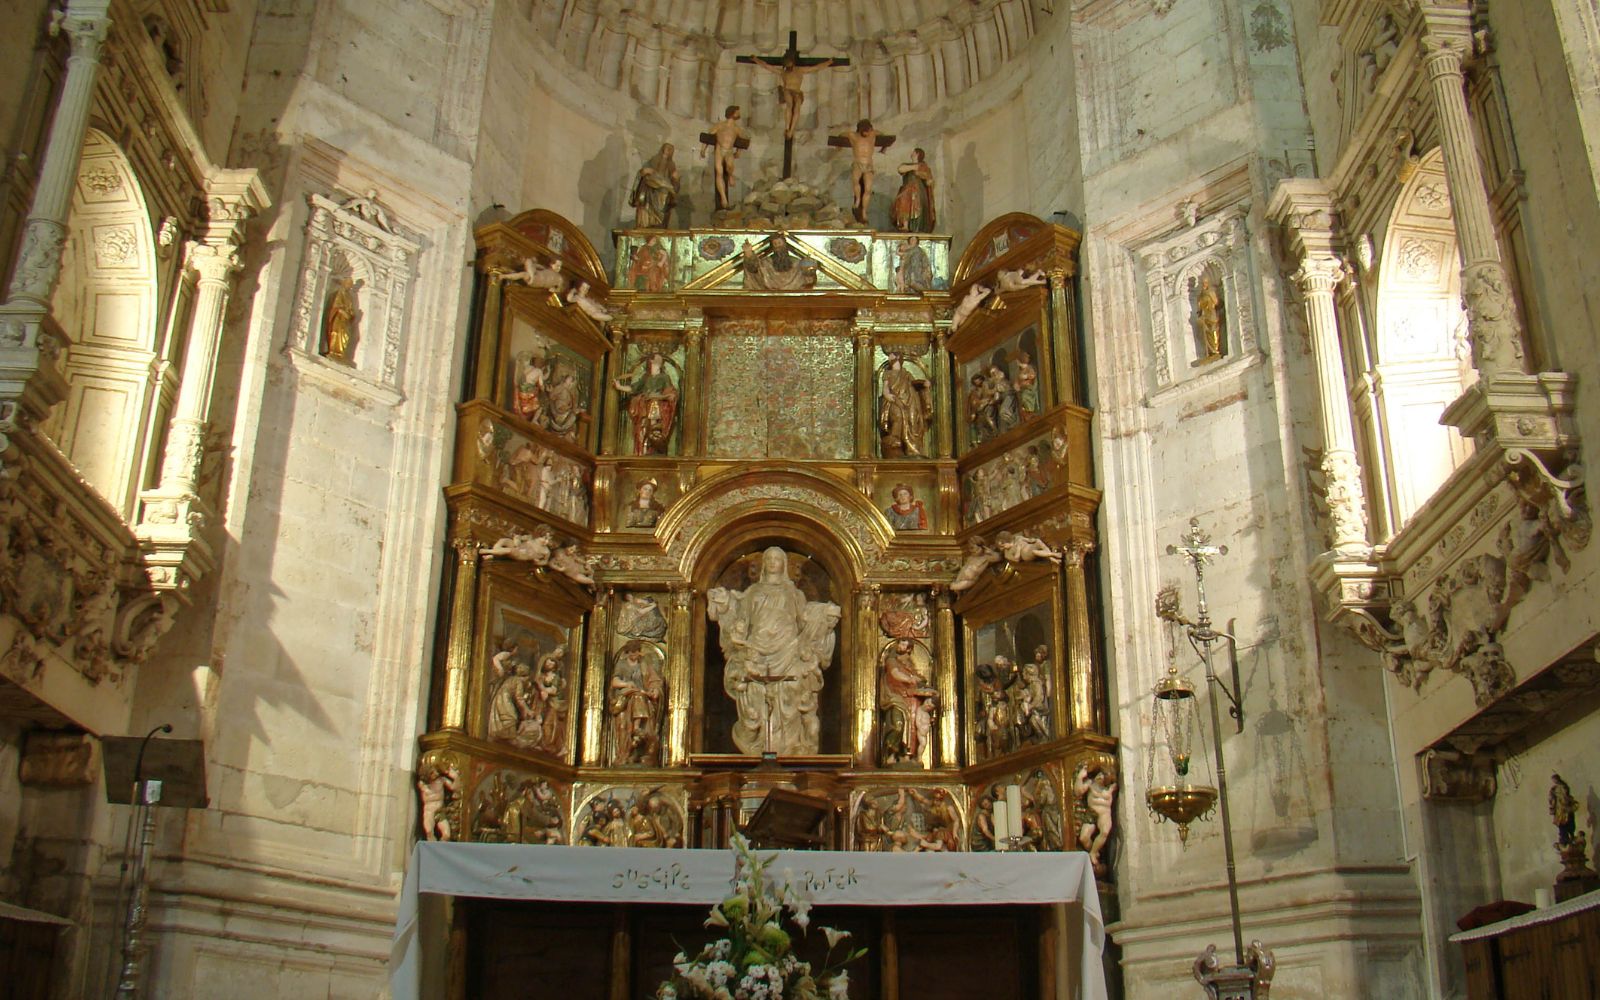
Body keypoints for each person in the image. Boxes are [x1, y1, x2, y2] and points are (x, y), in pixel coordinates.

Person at [707, 547, 842, 755]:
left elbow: (804, 619)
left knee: (790, 695)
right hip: (757, 651)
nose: (772, 562)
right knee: (755, 695)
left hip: (788, 650)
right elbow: (742, 618)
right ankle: (759, 745)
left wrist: (824, 613)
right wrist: (724, 603)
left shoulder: (794, 593)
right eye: (768, 558)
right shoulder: (753, 592)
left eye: (777, 559)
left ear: (784, 564)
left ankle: (789, 748)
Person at [749, 51, 835, 138]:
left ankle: (791, 130)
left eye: (789, 66)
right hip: (787, 91)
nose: (788, 68)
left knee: (797, 107)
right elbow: (767, 66)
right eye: (786, 66)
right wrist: (755, 59)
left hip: (797, 92)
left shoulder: (800, 70)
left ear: (793, 63)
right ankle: (787, 128)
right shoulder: (783, 72)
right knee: (789, 105)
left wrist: (829, 62)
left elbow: (816, 68)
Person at [607, 642, 666, 764]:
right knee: (636, 698)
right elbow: (614, 681)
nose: (634, 655)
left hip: (643, 697)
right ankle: (631, 739)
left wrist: (655, 690)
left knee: (639, 697)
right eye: (632, 652)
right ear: (627, 653)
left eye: (636, 652)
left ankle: (639, 735)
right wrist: (627, 684)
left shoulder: (645, 665)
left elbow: (655, 681)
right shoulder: (622, 665)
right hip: (624, 699)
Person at [879, 639, 938, 760]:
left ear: (909, 649)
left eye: (904, 645)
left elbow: (917, 678)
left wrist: (920, 682)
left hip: (909, 699)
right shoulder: (891, 660)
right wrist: (910, 679)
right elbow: (895, 674)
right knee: (897, 725)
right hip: (894, 697)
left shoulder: (908, 664)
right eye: (900, 643)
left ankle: (904, 754)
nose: (900, 646)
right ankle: (890, 754)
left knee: (911, 728)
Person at [612, 350, 679, 454]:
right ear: (651, 361)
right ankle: (643, 448)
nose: (660, 359)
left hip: (657, 407)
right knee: (643, 428)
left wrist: (658, 396)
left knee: (654, 424)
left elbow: (671, 394)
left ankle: (654, 445)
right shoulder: (646, 377)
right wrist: (619, 386)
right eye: (657, 357)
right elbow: (634, 388)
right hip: (644, 407)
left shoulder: (664, 377)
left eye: (660, 358)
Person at [834, 119, 893, 225]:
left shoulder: (873, 134)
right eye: (865, 131)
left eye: (869, 130)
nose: (867, 133)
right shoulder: (853, 136)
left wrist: (884, 148)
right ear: (860, 130)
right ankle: (857, 200)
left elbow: (885, 138)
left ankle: (864, 212)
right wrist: (838, 146)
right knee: (856, 181)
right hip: (858, 163)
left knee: (868, 189)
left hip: (869, 165)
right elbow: (840, 135)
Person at [878, 352, 933, 457]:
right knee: (897, 418)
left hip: (909, 401)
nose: (890, 358)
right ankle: (895, 443)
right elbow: (885, 387)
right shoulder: (887, 373)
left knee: (912, 422)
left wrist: (924, 384)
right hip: (895, 400)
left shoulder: (906, 374)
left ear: (898, 358)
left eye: (892, 356)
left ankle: (912, 450)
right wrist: (887, 394)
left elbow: (914, 383)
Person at [703, 106, 749, 210]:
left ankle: (730, 175)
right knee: (719, 172)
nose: (739, 114)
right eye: (737, 112)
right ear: (732, 113)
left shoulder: (737, 129)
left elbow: (742, 142)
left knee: (730, 166)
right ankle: (724, 198)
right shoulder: (720, 125)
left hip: (729, 151)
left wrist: (739, 151)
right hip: (719, 150)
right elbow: (708, 136)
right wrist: (703, 149)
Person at [1075, 762, 1118, 872]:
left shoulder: (1111, 788)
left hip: (1104, 814)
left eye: (1102, 776)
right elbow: (1078, 791)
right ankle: (1095, 850)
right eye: (1098, 774)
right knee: (1083, 838)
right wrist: (1080, 777)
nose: (1099, 777)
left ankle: (1093, 853)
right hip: (1092, 813)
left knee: (1104, 832)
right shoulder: (1091, 783)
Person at [629, 143, 679, 228]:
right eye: (667, 148)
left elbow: (675, 185)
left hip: (663, 192)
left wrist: (675, 180)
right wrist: (645, 171)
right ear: (662, 149)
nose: (668, 151)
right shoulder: (652, 161)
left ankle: (659, 225)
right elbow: (642, 172)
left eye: (671, 149)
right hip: (648, 190)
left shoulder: (671, 165)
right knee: (645, 205)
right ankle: (645, 224)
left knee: (665, 197)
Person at [890, 148, 935, 233]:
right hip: (906, 190)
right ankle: (905, 225)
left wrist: (926, 177)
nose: (911, 153)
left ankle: (917, 227)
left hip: (918, 191)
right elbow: (900, 169)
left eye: (913, 152)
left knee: (915, 205)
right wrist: (916, 166)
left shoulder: (924, 167)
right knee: (902, 202)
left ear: (917, 154)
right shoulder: (912, 165)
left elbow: (929, 181)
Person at [320, 276, 358, 362]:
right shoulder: (339, 294)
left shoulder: (349, 297)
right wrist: (342, 311)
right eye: (348, 284)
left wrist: (351, 314)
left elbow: (351, 309)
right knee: (336, 332)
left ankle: (340, 353)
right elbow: (336, 306)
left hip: (345, 320)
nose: (349, 286)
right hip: (338, 318)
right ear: (344, 283)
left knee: (345, 335)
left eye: (350, 285)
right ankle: (333, 351)